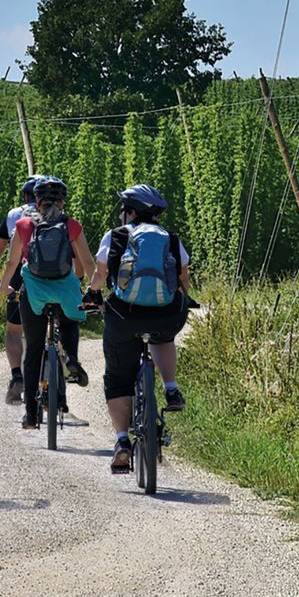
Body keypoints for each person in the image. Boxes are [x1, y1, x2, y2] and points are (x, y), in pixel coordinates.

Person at [85, 183, 191, 475]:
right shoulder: (170, 238)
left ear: (131, 212)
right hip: (164, 315)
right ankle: (171, 389)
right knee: (164, 336)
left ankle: (121, 443)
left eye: (124, 209)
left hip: (124, 315)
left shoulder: (116, 235)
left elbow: (101, 273)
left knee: (118, 377)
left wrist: (92, 294)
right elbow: (183, 277)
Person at [0, 176, 91, 429]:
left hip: (34, 293)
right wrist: (94, 290)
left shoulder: (24, 225)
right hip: (65, 290)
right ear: (63, 201)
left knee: (34, 351)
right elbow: (88, 263)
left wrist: (4, 285)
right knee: (70, 320)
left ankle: (30, 415)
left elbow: (12, 263)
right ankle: (71, 357)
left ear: (36, 201)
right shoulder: (71, 225)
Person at [0, 174, 45, 406]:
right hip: (54, 279)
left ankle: (17, 375)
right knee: (52, 324)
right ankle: (55, 373)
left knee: (14, 330)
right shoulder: (58, 215)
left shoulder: (14, 215)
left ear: (25, 195)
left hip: (20, 275)